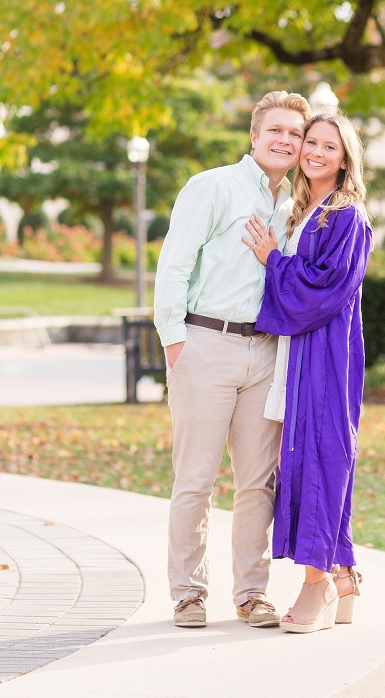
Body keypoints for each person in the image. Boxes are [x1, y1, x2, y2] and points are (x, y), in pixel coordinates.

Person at [154, 90, 311, 628]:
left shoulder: (294, 206)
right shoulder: (213, 186)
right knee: (195, 479)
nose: (286, 140)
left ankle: (250, 594)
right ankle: (188, 593)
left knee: (257, 483)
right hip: (206, 345)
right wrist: (175, 341)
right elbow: (173, 265)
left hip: (264, 353)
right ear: (254, 134)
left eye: (296, 133)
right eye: (277, 130)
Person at [242, 110, 371, 634]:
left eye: (329, 147)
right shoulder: (301, 210)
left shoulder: (347, 217)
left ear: (345, 161)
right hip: (295, 357)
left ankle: (314, 585)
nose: (315, 152)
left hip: (326, 358)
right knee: (303, 462)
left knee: (323, 461)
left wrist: (273, 261)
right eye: (310, 142)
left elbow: (324, 290)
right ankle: (342, 576)